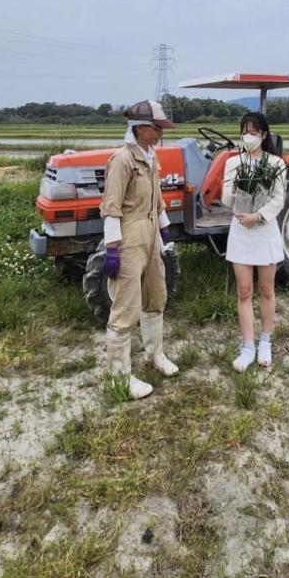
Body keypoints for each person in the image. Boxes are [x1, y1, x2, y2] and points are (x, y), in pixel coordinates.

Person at [101, 99, 179, 399]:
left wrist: (165, 232)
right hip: (129, 234)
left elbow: (156, 200)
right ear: (141, 128)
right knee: (125, 308)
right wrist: (112, 249)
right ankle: (119, 377)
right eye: (157, 128)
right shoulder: (122, 161)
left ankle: (154, 354)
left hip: (151, 235)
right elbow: (111, 207)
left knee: (156, 295)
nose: (161, 132)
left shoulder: (151, 157)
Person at [221, 112, 287, 372]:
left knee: (267, 290)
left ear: (264, 135)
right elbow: (226, 200)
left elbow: (278, 199)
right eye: (244, 131)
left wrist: (258, 216)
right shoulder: (233, 163)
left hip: (264, 231)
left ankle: (265, 341)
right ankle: (248, 346)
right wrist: (235, 188)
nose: (248, 136)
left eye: (253, 132)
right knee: (244, 290)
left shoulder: (276, 164)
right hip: (240, 232)